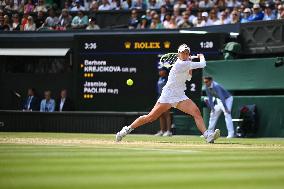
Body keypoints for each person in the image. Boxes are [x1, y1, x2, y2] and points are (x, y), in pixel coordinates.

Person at [116, 44, 220, 143]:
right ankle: (126, 130)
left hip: (180, 96)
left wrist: (190, 66)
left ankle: (207, 136)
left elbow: (188, 78)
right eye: (182, 53)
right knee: (150, 117)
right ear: (178, 54)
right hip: (168, 96)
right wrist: (201, 56)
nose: (184, 54)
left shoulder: (186, 64)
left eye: (186, 53)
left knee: (196, 112)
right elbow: (203, 64)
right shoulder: (181, 64)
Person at [155, 67, 172, 137]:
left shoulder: (168, 79)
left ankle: (168, 131)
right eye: (159, 71)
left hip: (166, 97)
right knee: (160, 114)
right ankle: (162, 131)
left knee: (167, 114)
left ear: (165, 72)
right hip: (159, 97)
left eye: (161, 71)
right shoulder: (159, 79)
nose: (159, 72)